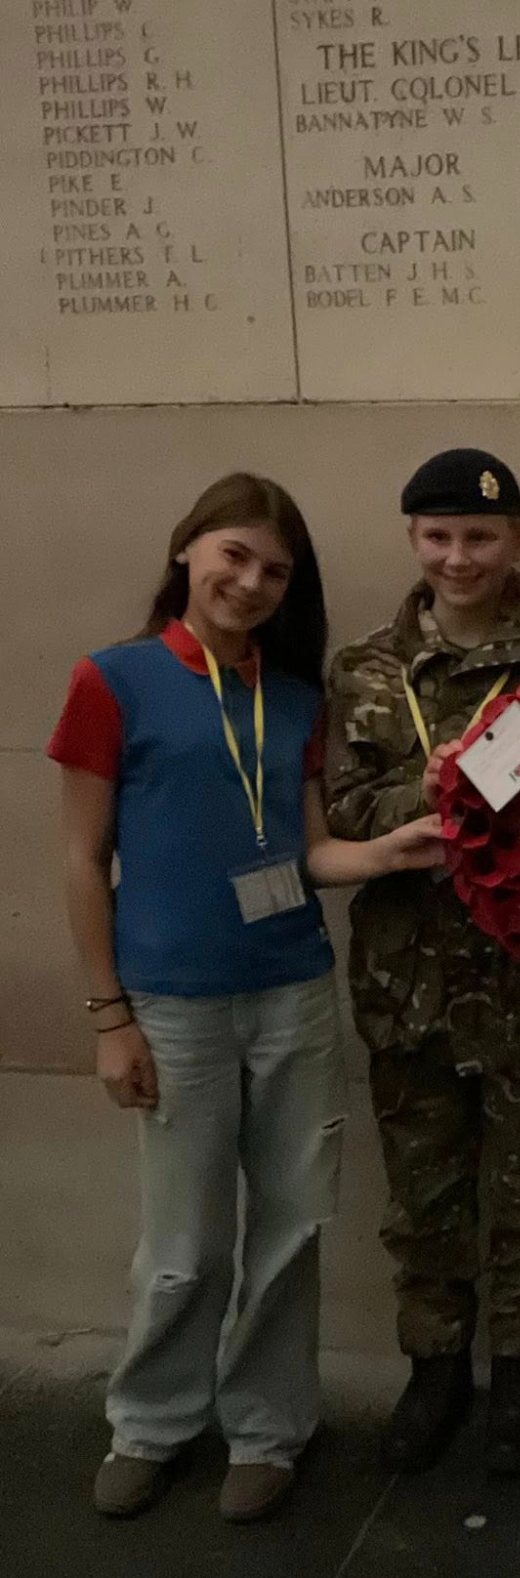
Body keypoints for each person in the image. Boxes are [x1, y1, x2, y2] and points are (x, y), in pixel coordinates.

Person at [49, 474, 445, 1524]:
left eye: (276, 569)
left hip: (292, 991)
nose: (253, 581)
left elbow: (310, 853)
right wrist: (108, 1017)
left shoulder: (298, 697)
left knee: (290, 1226)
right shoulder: (112, 679)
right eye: (235, 554)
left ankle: (269, 1427)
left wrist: (392, 849)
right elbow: (83, 860)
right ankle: (154, 1420)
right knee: (184, 1243)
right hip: (172, 1003)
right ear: (187, 550)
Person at [325, 448, 520, 1482]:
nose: (460, 556)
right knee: (424, 1198)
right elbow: (344, 814)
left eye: (481, 536)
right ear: (413, 541)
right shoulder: (363, 667)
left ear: (516, 540)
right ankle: (434, 1368)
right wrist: (429, 793)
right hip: (410, 987)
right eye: (439, 536)